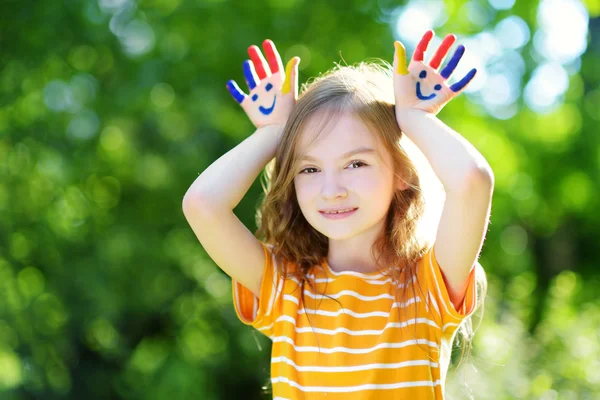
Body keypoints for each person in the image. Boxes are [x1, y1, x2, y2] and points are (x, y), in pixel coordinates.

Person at [182, 30, 493, 399]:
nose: (332, 189)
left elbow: (473, 182)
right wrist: (274, 132)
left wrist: (413, 118)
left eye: (356, 163)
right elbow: (202, 204)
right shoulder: (285, 287)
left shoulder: (427, 285)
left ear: (402, 173)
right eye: (309, 169)